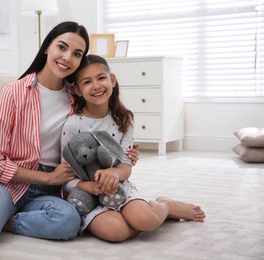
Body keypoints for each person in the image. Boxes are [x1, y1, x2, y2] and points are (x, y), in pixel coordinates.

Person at [0, 21, 139, 251]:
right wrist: (49, 178)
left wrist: (122, 153)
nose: (67, 57)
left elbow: (96, 129)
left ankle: (1, 221)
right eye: (61, 47)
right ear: (46, 48)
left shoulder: (77, 96)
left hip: (50, 191)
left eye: (77, 54)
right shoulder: (14, 92)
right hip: (8, 184)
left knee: (69, 222)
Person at [61, 54, 206, 242]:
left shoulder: (124, 120)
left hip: (119, 187)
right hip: (85, 195)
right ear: (77, 90)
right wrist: (88, 186)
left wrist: (115, 172)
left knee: (147, 221)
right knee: (117, 232)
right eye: (87, 82)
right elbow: (65, 174)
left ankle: (165, 204)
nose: (96, 85)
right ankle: (127, 216)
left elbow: (126, 166)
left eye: (101, 78)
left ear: (112, 80)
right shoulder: (72, 125)